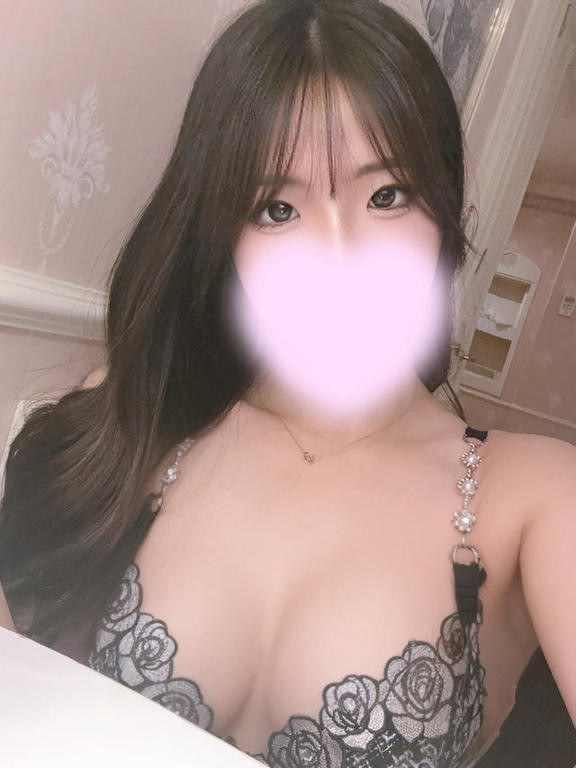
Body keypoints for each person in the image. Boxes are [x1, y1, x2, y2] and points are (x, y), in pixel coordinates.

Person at [0, 1, 575, 766]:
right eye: (278, 209)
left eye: (386, 195)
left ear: (445, 209)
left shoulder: (536, 497)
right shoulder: (139, 419)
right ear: (222, 236)